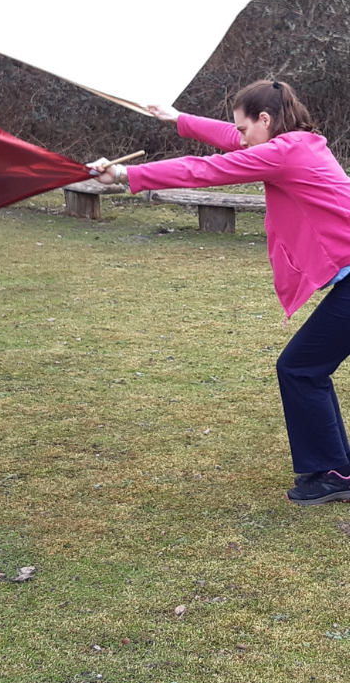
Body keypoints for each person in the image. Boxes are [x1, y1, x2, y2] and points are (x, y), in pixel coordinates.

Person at [89, 80, 350, 506]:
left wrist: (125, 175)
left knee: (301, 369)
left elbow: (205, 169)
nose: (241, 138)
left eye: (246, 128)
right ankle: (337, 468)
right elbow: (232, 139)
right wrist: (178, 119)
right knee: (307, 369)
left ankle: (335, 474)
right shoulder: (298, 143)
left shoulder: (283, 154)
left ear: (265, 120)